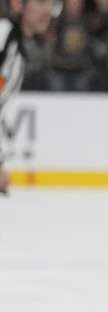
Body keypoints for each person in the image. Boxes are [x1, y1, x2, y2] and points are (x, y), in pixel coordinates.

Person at [1, 0, 52, 194]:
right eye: (40, 2)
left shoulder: (17, 52)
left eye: (51, 4)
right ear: (17, 4)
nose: (47, 10)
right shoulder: (4, 34)